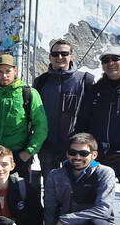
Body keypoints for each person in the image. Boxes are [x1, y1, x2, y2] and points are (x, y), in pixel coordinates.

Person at [77, 46, 120, 225]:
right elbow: (84, 119)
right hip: (99, 155)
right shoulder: (98, 88)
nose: (110, 63)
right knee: (92, 203)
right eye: (105, 60)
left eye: (115, 58)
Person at [44, 133, 119, 225]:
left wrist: (66, 220)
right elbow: (50, 209)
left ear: (94, 155)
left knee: (98, 224)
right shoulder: (55, 175)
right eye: (73, 152)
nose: (77, 157)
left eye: (84, 153)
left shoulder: (105, 173)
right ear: (67, 154)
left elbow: (104, 209)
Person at [0, 54, 48, 182]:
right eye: (0, 72)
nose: (4, 75)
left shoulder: (28, 93)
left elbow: (41, 125)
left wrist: (28, 152)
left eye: (8, 71)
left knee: (19, 195)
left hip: (18, 156)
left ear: (15, 70)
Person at [33, 39, 94, 180]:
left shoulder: (86, 80)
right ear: (50, 57)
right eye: (55, 54)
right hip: (47, 145)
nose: (59, 57)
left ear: (71, 55)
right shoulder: (41, 82)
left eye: (64, 53)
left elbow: (94, 115)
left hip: (76, 148)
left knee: (76, 189)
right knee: (50, 187)